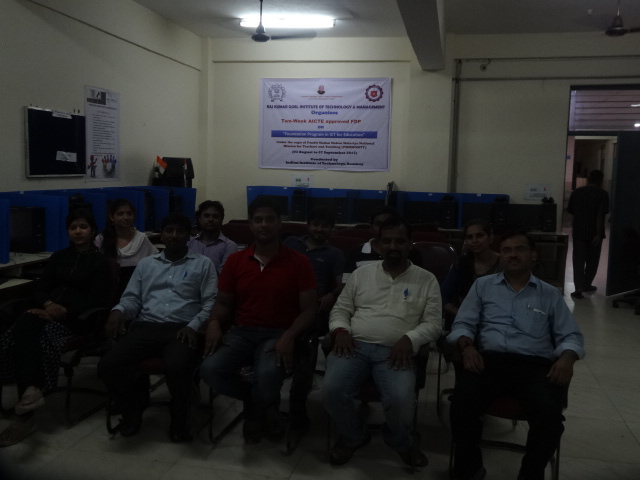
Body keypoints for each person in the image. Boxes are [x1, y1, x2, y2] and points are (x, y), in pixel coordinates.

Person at [447, 231, 585, 480]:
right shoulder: (483, 286)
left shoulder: (549, 294)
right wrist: (467, 347)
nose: (512, 255)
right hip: (490, 362)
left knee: (550, 418)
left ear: (533, 255)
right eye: (506, 250)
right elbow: (463, 324)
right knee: (461, 405)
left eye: (520, 249)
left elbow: (571, 335)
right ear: (501, 256)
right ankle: (470, 469)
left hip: (535, 367)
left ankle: (530, 473)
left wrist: (567, 358)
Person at [323, 216, 442, 467]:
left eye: (400, 241)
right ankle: (354, 436)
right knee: (332, 391)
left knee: (400, 401)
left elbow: (433, 324)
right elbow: (340, 310)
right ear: (378, 244)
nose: (393, 246)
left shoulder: (426, 279)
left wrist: (410, 338)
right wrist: (340, 330)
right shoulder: (361, 274)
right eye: (386, 241)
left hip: (396, 352)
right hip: (354, 346)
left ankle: (400, 441)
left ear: (410, 244)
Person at [200, 197, 317, 444]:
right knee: (210, 369)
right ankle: (263, 406)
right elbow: (223, 303)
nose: (264, 225)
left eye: (270, 219)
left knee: (266, 374)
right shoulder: (236, 261)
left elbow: (309, 310)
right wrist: (213, 323)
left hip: (278, 334)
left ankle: (257, 411)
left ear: (280, 223)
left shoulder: (299, 262)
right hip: (242, 332)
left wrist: (290, 336)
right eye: (258, 220)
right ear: (251, 225)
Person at [98, 212, 217, 442]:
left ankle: (180, 418)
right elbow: (132, 298)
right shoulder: (146, 264)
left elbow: (210, 302)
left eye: (180, 231)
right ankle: (133, 408)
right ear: (161, 234)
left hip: (182, 329)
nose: (174, 235)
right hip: (147, 327)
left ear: (189, 235)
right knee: (109, 365)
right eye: (169, 230)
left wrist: (194, 326)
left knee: (177, 367)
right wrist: (118, 310)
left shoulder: (203, 264)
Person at [0, 208, 111, 446]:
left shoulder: (100, 263)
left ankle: (26, 413)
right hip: (46, 313)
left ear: (93, 231)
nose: (78, 231)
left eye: (83, 227)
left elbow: (97, 300)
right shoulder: (59, 257)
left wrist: (61, 311)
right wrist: (48, 304)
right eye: (73, 227)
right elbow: (39, 288)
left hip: (78, 321)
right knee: (20, 328)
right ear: (68, 231)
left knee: (27, 331)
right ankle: (31, 391)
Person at [283, 205, 346, 433]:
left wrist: (331, 295)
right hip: (284, 305)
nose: (319, 229)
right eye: (316, 224)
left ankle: (297, 409)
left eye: (325, 226)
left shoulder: (335, 254)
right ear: (308, 225)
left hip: (315, 310)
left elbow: (341, 284)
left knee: (306, 347)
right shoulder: (291, 243)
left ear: (332, 229)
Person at [342, 206, 421, 286]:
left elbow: (420, 281)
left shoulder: (409, 252)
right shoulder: (356, 253)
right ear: (371, 228)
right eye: (378, 224)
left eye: (387, 224)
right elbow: (347, 285)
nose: (382, 228)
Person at [95, 198, 158, 297]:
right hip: (108, 292)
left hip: (136, 291)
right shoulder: (102, 239)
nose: (125, 217)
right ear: (112, 217)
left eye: (129, 214)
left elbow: (154, 266)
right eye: (120, 214)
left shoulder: (141, 239)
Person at [442, 218, 501, 320]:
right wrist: (462, 315)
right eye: (470, 237)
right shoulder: (461, 264)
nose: (474, 241)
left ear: (490, 238)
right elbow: (443, 298)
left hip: (497, 319)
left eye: (479, 236)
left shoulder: (504, 263)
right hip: (464, 319)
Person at [566, 169, 609, 299]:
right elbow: (600, 215)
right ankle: (587, 284)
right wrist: (598, 234)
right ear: (600, 181)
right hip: (594, 233)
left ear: (588, 179)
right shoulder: (603, 194)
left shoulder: (577, 192)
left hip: (579, 231)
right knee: (592, 261)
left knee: (578, 261)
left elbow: (571, 211)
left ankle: (578, 288)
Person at [187, 200, 238, 274]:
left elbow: (223, 275)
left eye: (215, 216)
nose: (210, 219)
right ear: (199, 219)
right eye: (206, 216)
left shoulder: (229, 246)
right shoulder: (189, 243)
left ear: (221, 220)